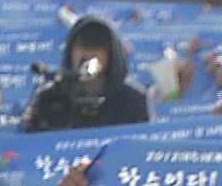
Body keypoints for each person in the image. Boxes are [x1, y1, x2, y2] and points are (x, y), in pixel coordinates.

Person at [22, 15, 151, 132]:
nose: (89, 53)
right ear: (71, 51)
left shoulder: (133, 99)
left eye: (98, 47)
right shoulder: (49, 95)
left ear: (111, 54)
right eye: (83, 45)